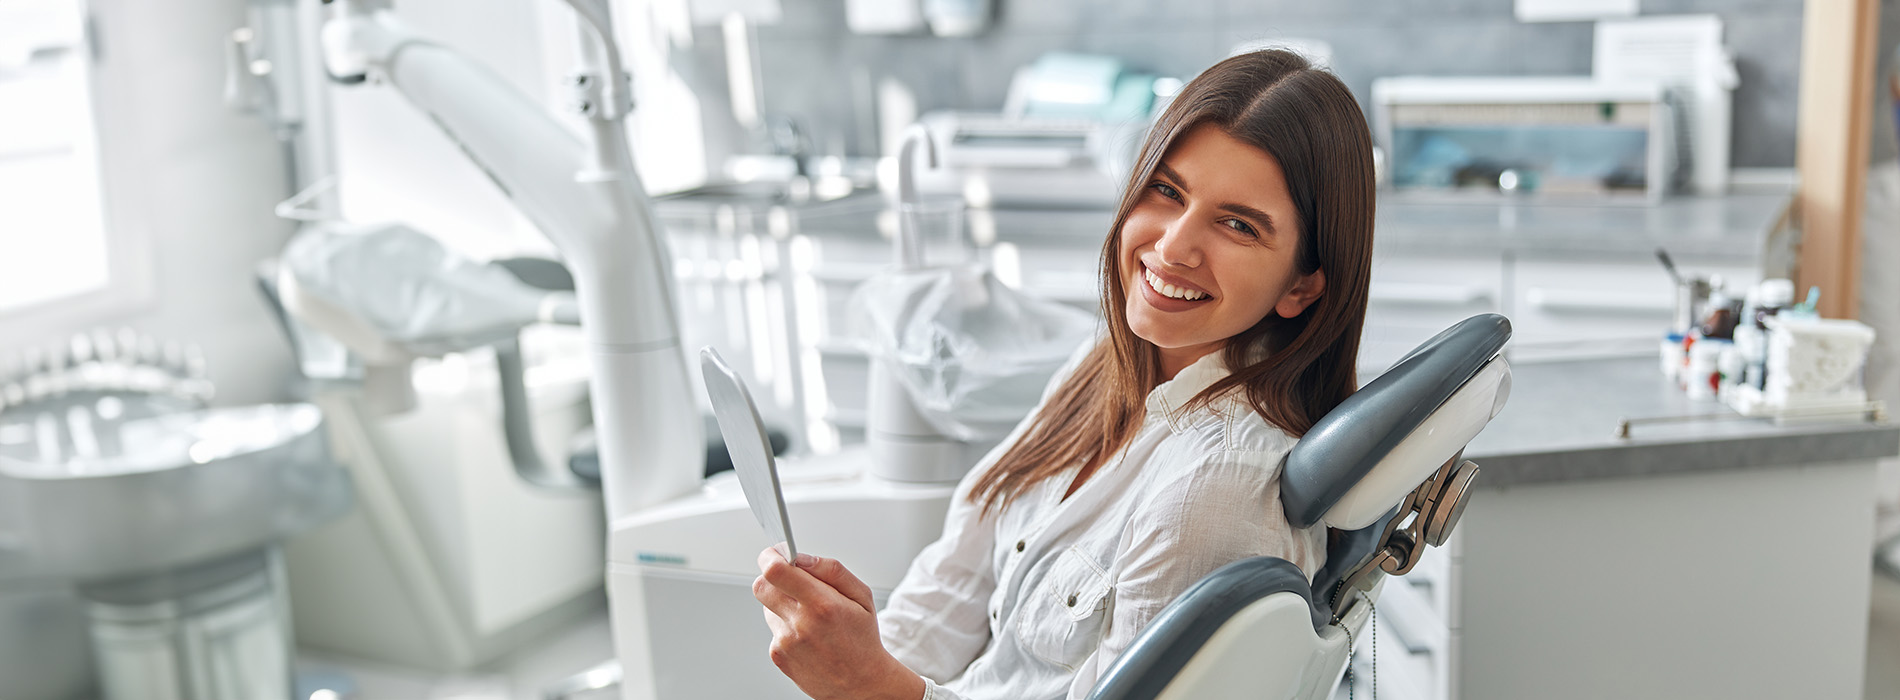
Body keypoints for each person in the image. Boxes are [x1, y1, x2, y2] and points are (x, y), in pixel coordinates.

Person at [750, 48, 1376, 700]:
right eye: (1167, 191)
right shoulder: (1104, 364)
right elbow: (954, 587)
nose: (1171, 247)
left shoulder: (1214, 489)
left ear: (1301, 287)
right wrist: (859, 657)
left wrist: (872, 686)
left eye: (1237, 224)